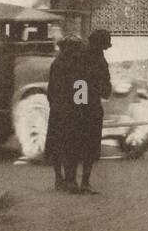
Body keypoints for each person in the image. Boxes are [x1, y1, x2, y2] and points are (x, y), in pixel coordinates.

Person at [45, 36, 87, 192]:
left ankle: (59, 179)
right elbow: (81, 90)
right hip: (73, 112)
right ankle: (71, 181)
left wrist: (55, 105)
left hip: (57, 111)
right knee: (72, 146)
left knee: (57, 146)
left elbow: (51, 91)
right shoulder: (79, 65)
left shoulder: (56, 64)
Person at [76, 29, 113, 193]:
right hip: (90, 108)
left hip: (80, 106)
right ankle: (84, 182)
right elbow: (105, 89)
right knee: (89, 147)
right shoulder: (97, 59)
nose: (104, 49)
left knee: (78, 145)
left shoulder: (81, 56)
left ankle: (72, 181)